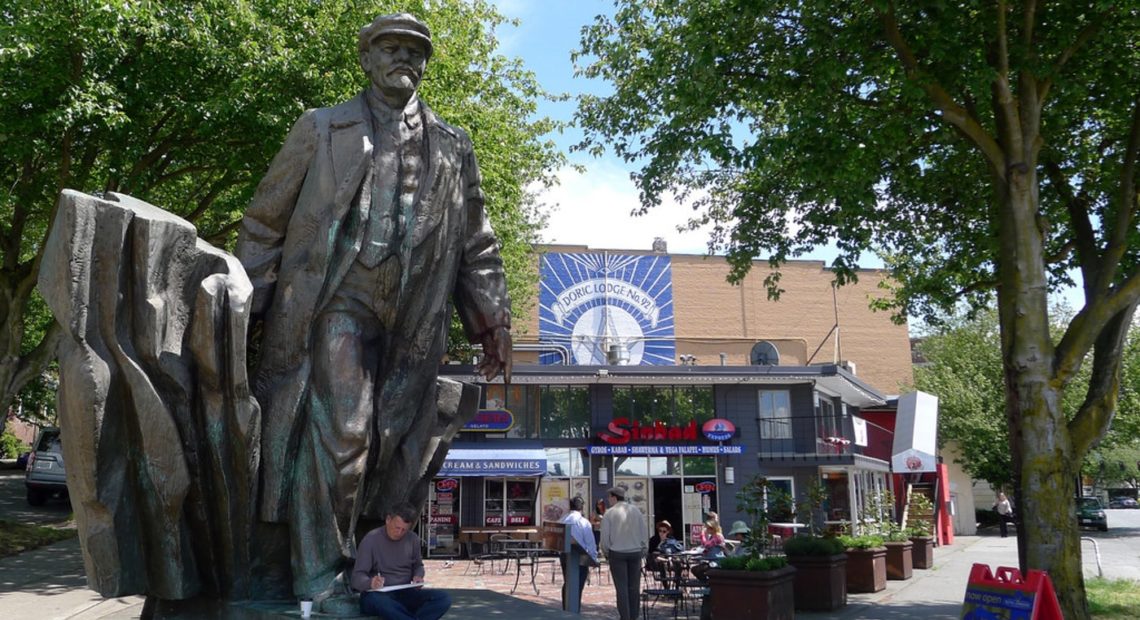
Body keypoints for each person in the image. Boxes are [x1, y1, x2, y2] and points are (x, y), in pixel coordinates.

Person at [235, 13, 512, 598]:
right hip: (338, 299)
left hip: (416, 313)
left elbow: (475, 241)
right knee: (346, 432)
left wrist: (491, 318)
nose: (404, 58)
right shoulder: (321, 128)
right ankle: (318, 576)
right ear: (366, 58)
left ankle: (373, 572)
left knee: (396, 444)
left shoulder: (454, 145)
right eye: (391, 47)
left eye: (415, 51)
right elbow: (264, 221)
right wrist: (247, 306)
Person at [351, 503, 451, 620]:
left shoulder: (412, 539)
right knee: (379, 601)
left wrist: (418, 575)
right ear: (388, 520)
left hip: (405, 592)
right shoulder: (371, 539)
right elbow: (356, 577)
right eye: (397, 528)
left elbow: (418, 566)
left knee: (443, 598)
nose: (399, 533)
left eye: (404, 530)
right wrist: (370, 583)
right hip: (379, 594)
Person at [600, 486, 648, 620]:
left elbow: (605, 537)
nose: (608, 500)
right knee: (634, 587)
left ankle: (625, 617)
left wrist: (606, 551)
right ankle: (634, 616)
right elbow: (644, 532)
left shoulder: (609, 513)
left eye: (609, 497)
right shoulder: (636, 511)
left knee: (621, 588)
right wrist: (644, 549)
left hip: (617, 553)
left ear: (614, 497)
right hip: (635, 552)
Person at [560, 496, 599, 610]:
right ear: (582, 508)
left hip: (565, 556)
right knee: (578, 585)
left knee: (568, 582)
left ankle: (566, 609)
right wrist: (593, 558)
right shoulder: (584, 522)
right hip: (581, 558)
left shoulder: (563, 520)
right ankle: (574, 610)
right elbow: (590, 543)